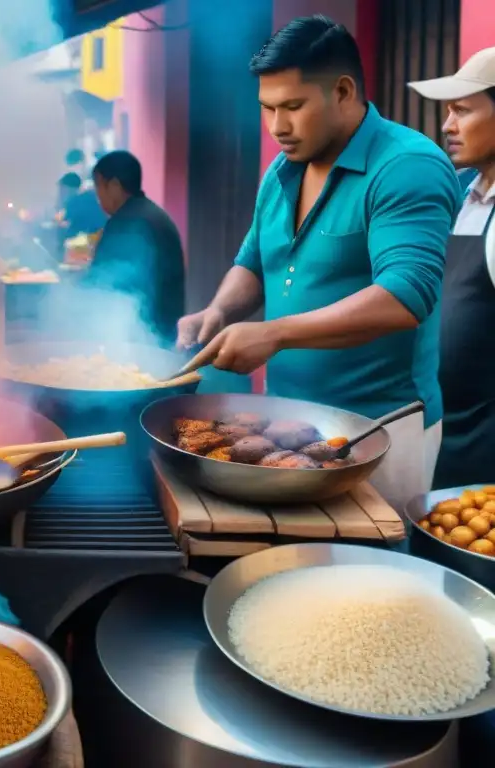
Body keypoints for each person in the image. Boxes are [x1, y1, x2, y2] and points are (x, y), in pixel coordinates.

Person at [176, 16, 460, 511]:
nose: (276, 127)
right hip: (287, 423)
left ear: (344, 91)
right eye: (267, 108)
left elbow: (405, 295)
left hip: (378, 430)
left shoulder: (408, 165)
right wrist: (219, 312)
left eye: (293, 106)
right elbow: (253, 261)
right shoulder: (283, 168)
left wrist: (275, 332)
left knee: (368, 578)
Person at [409, 48, 495, 489]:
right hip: (436, 430)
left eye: (462, 110)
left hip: (485, 446)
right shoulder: (458, 192)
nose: (447, 126)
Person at [88, 150, 185, 342]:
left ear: (114, 186)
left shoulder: (126, 223)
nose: (97, 197)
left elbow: (101, 284)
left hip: (142, 334)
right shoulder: (153, 214)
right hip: (164, 330)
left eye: (98, 187)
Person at [58, 172, 108, 241]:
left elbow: (71, 227)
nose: (60, 193)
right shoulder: (89, 197)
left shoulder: (74, 203)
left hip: (89, 239)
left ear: (68, 189)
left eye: (62, 189)